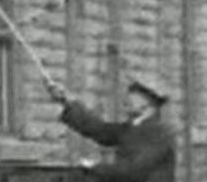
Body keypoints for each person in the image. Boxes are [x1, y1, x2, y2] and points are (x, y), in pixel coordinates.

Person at [45, 77, 176, 182]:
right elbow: (100, 130)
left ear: (149, 102)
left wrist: (94, 167)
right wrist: (66, 101)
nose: (127, 98)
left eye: (134, 95)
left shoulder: (159, 135)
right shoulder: (133, 128)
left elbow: (132, 172)